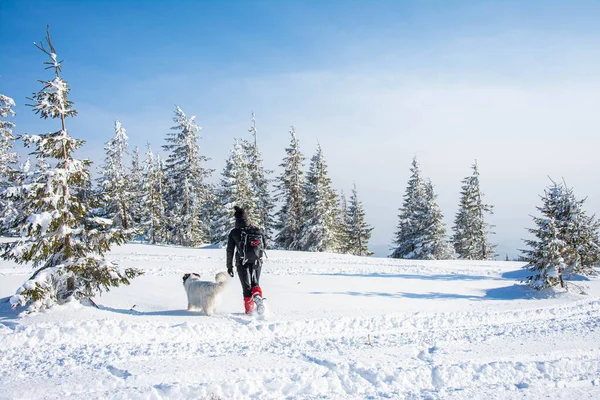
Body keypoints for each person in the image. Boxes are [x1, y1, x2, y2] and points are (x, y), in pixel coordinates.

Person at [226, 206, 266, 315]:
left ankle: (250, 312)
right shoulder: (256, 229)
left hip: (241, 261)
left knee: (246, 287)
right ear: (247, 218)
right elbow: (264, 245)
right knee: (255, 282)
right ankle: (258, 297)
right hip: (257, 261)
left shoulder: (234, 232)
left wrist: (229, 267)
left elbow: (230, 250)